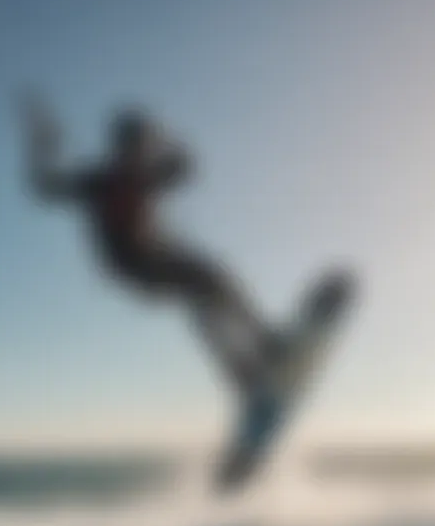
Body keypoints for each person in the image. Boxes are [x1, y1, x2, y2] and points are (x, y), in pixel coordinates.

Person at [19, 92, 281, 391]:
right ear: (122, 147)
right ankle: (258, 355)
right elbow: (45, 187)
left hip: (153, 257)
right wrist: (42, 144)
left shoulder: (145, 177)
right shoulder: (100, 182)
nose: (137, 154)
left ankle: (253, 361)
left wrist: (160, 138)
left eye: (141, 147)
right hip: (133, 265)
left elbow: (185, 166)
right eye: (134, 146)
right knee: (207, 283)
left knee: (209, 289)